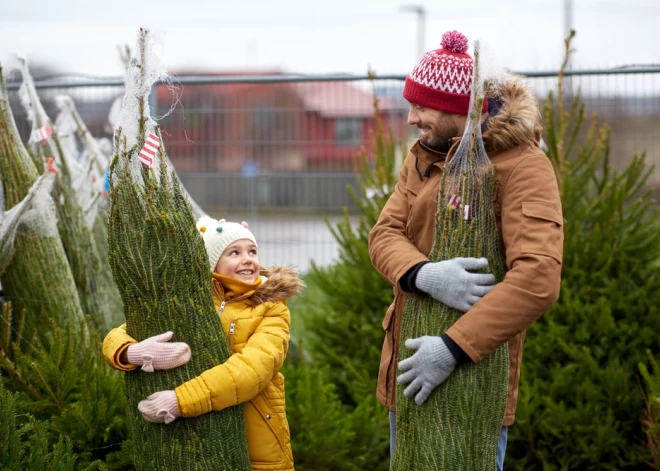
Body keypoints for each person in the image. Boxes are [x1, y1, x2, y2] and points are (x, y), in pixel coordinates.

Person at [368, 30, 563, 470]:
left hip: (471, 379)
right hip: (410, 369)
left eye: (422, 106)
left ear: (458, 107)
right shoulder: (424, 156)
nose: (412, 118)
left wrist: (452, 348)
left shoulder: (523, 166)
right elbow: (384, 235)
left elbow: (538, 279)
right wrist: (424, 275)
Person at [103, 216, 303, 471]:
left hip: (256, 440)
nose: (248, 259)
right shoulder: (191, 299)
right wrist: (131, 352)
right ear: (211, 263)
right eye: (234, 252)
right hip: (198, 435)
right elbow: (116, 334)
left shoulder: (272, 308)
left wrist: (180, 400)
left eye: (252, 251)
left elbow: (253, 370)